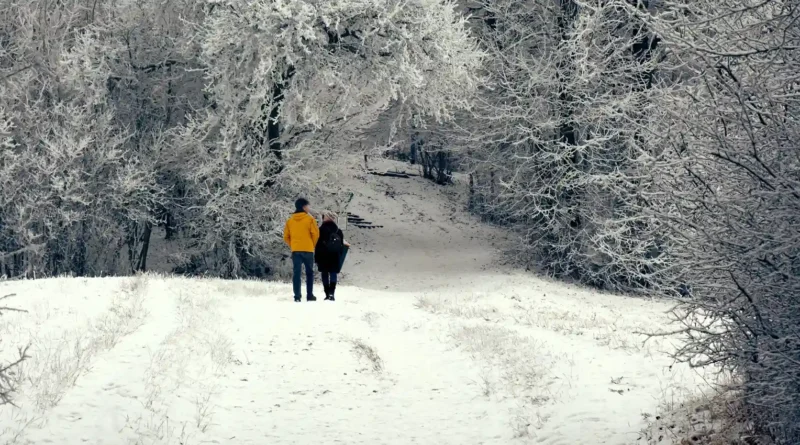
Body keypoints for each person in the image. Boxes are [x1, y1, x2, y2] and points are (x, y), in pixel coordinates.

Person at [283, 198, 320, 302]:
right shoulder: (310, 220)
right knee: (309, 273)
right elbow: (315, 234)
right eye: (308, 205)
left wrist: (293, 245)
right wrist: (311, 244)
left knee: (297, 273)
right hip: (308, 249)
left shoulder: (290, 221)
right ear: (304, 207)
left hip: (296, 250)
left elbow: (286, 236)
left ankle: (297, 296)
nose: (309, 207)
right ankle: (309, 295)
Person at [315, 210, 350, 301]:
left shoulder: (321, 230)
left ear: (325, 218)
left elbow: (317, 244)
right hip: (334, 255)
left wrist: (317, 257)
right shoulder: (338, 231)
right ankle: (332, 293)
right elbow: (341, 245)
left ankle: (327, 294)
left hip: (323, 255)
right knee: (333, 273)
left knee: (325, 274)